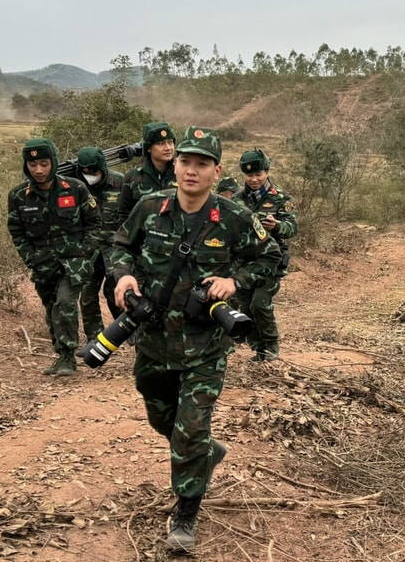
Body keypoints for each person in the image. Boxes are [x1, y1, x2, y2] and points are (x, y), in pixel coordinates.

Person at [110, 127, 282, 553]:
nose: (191, 169)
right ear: (176, 165)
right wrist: (124, 274)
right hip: (152, 342)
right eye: (185, 161)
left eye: (202, 163)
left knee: (189, 430)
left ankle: (185, 514)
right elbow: (119, 246)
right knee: (159, 418)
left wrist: (234, 280)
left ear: (216, 170)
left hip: (204, 348)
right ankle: (204, 452)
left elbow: (270, 257)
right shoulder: (151, 208)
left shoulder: (236, 217)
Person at [8, 138, 102, 376]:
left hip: (74, 262)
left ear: (53, 163)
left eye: (44, 163)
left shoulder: (76, 188)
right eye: (32, 164)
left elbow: (94, 223)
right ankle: (60, 354)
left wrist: (84, 253)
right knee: (51, 307)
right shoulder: (19, 196)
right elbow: (17, 232)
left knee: (65, 302)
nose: (38, 170)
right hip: (43, 262)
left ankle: (68, 356)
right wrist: (30, 257)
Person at [237, 149, 298, 362]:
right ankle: (258, 348)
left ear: (267, 172)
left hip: (271, 262)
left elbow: (292, 228)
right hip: (244, 264)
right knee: (244, 306)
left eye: (258, 175)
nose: (254, 179)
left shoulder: (281, 198)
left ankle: (271, 346)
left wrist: (278, 225)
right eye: (249, 175)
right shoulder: (237, 199)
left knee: (259, 303)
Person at [75, 146, 124, 348]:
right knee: (87, 295)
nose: (90, 176)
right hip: (90, 250)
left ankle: (127, 333)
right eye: (85, 172)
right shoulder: (78, 187)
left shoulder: (120, 182)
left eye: (94, 171)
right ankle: (95, 340)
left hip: (115, 249)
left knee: (116, 291)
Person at [117, 121, 176, 223]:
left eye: (170, 142)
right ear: (149, 148)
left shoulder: (182, 174)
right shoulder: (133, 177)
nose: (168, 148)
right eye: (161, 143)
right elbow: (124, 215)